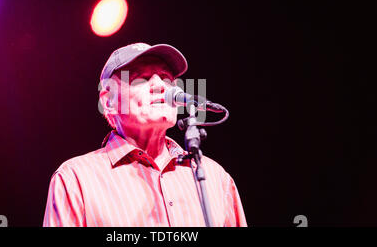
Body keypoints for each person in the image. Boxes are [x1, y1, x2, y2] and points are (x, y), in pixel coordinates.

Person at [43, 42, 247, 227]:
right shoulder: (76, 178)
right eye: (141, 79)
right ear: (109, 101)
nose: (160, 85)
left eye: (167, 79)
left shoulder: (215, 177)